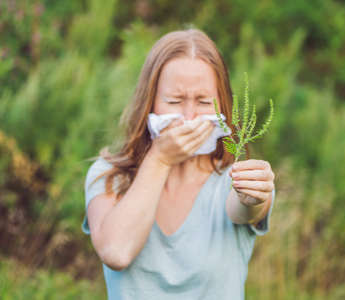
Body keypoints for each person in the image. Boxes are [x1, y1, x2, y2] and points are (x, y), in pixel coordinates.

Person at [81, 28, 276, 299]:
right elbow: (116, 252)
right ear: (149, 102)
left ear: (223, 107)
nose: (189, 117)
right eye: (174, 101)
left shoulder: (232, 180)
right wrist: (160, 159)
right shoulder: (107, 176)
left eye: (204, 101)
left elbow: (245, 207)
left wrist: (253, 196)